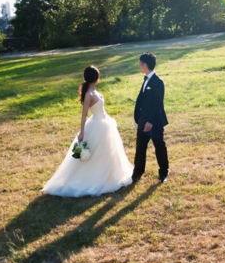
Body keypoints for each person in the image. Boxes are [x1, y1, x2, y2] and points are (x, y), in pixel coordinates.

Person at [42, 65, 133, 197]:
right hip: (97, 125)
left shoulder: (94, 92)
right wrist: (82, 132)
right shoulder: (89, 94)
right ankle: (95, 177)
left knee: (108, 152)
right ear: (95, 78)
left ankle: (110, 175)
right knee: (96, 154)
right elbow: (84, 114)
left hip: (105, 123)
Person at [132, 52, 169, 184]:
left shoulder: (158, 82)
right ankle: (137, 173)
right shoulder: (146, 79)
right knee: (140, 148)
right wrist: (139, 118)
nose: (139, 66)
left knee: (159, 146)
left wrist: (150, 122)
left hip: (154, 122)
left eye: (140, 64)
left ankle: (163, 172)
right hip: (142, 121)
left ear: (145, 65)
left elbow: (157, 104)